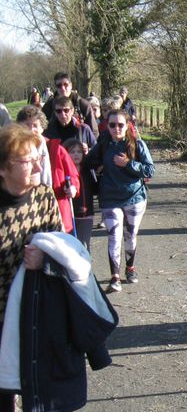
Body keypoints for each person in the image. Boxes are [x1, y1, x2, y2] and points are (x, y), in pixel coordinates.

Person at [0, 124, 83, 412]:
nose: (36, 165)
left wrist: (45, 256)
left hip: (41, 310)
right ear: (2, 168)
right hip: (1, 318)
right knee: (1, 396)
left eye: (38, 158)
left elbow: (65, 247)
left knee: (52, 390)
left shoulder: (45, 196)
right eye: (26, 160)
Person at [83, 109, 154, 292]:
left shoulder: (137, 144)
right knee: (114, 236)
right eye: (112, 125)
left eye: (120, 124)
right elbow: (88, 161)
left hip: (135, 197)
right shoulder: (104, 143)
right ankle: (115, 276)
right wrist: (99, 166)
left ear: (127, 125)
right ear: (107, 126)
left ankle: (130, 268)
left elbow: (149, 170)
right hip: (110, 198)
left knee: (130, 235)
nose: (116, 128)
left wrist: (128, 164)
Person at [16, 105, 79, 235]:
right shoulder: (15, 152)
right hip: (27, 211)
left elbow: (72, 175)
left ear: (42, 128)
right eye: (27, 125)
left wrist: (73, 187)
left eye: (35, 125)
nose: (31, 129)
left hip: (57, 207)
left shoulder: (56, 149)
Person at [61, 138, 95, 249]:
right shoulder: (62, 171)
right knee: (70, 247)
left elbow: (95, 188)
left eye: (79, 152)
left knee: (84, 245)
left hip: (86, 214)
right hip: (70, 216)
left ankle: (86, 265)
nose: (76, 155)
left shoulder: (87, 169)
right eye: (72, 152)